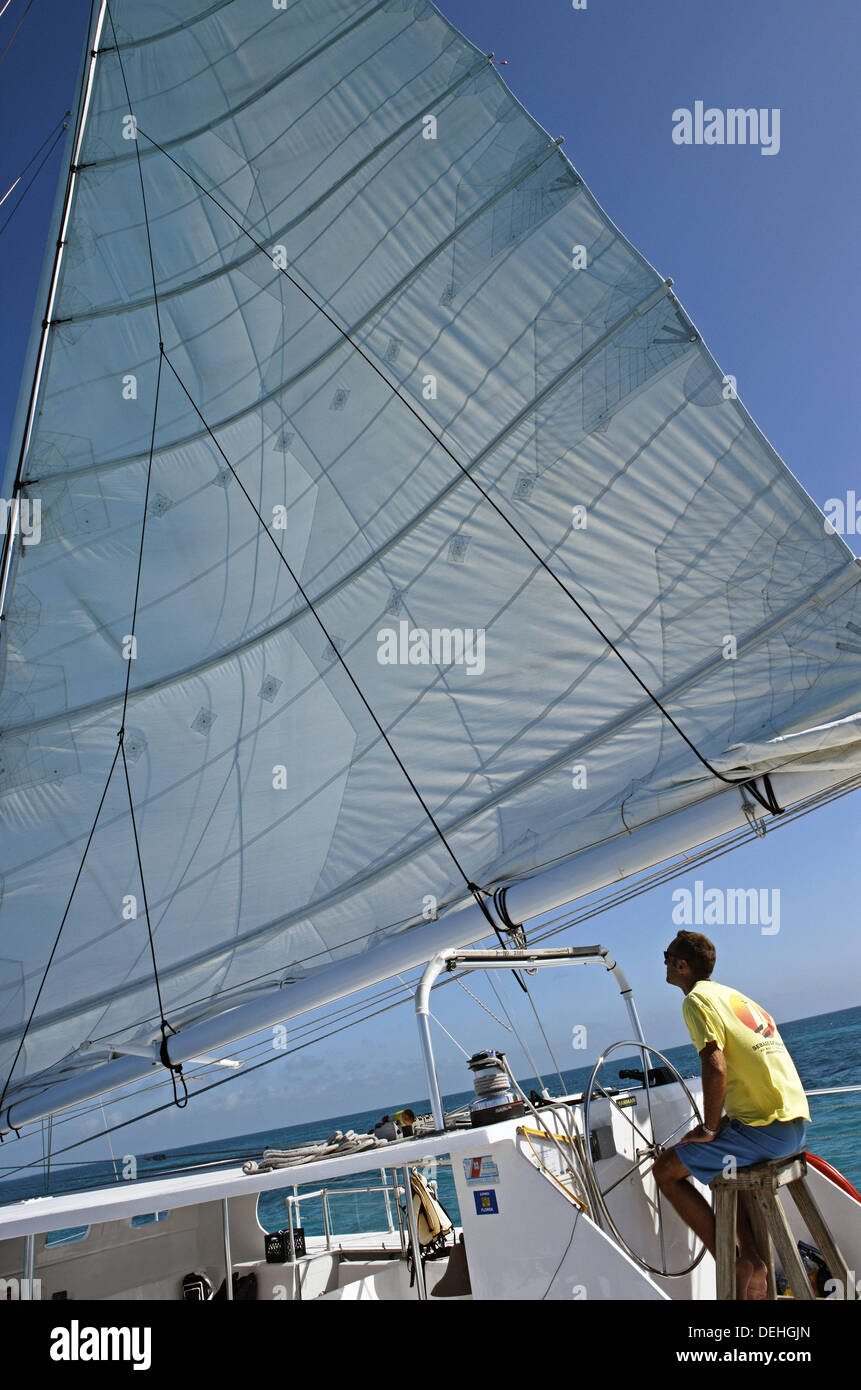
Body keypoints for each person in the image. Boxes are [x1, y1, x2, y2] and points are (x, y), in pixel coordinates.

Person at [653, 930, 809, 1299]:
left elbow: (715, 1066)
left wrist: (707, 1127)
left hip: (767, 1132)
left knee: (665, 1171)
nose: (663, 962)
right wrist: (719, 1126)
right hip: (794, 1125)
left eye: (666, 955)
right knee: (724, 1161)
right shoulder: (734, 996)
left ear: (681, 965)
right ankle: (751, 1258)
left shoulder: (696, 1001)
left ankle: (730, 1258)